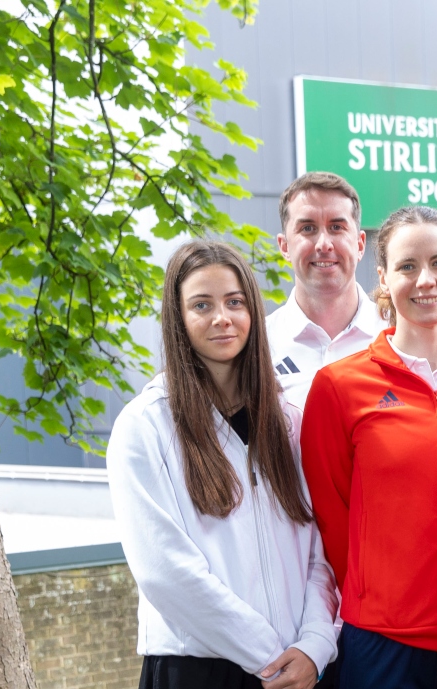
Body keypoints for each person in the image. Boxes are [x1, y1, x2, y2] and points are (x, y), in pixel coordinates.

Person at [299, 207, 437, 689]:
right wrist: (384, 599)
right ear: (382, 277)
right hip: (385, 645)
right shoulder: (339, 387)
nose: (426, 279)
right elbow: (334, 519)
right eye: (407, 266)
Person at [109, 240, 335, 689]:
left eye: (234, 302)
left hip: (298, 670)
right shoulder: (146, 426)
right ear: (178, 319)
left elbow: (319, 551)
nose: (222, 318)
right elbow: (166, 572)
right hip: (200, 670)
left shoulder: (287, 421)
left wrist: (315, 645)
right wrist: (269, 656)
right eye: (201, 305)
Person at [268, 172, 389, 410]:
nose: (324, 244)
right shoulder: (260, 345)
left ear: (360, 244)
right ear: (284, 246)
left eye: (336, 227)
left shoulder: (397, 336)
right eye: (308, 228)